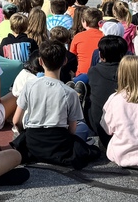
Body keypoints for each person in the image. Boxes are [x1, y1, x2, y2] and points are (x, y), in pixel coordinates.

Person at [12, 41, 98, 169]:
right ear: (64, 61)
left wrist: (23, 133)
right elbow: (72, 130)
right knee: (83, 128)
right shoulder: (69, 93)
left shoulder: (29, 86)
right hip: (58, 142)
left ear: (40, 61)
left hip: (33, 141)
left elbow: (16, 121)